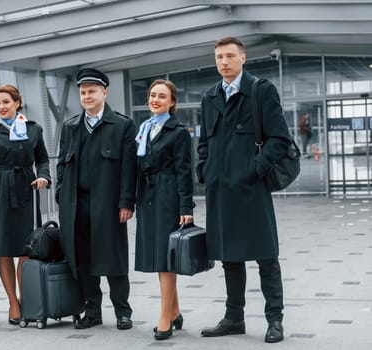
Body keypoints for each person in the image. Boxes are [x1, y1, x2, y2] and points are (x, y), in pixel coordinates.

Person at [196, 36, 291, 343]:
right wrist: (205, 170)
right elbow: (203, 144)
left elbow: (280, 139)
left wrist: (256, 169)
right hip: (220, 191)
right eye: (218, 57)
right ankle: (234, 317)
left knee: (266, 257)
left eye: (229, 56)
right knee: (230, 258)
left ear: (243, 58)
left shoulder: (260, 91)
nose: (223, 61)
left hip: (252, 189)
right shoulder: (209, 97)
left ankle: (274, 320)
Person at [56, 68, 137, 330]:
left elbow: (129, 168)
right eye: (83, 92)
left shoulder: (122, 125)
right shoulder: (70, 127)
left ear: (104, 92)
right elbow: (61, 164)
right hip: (76, 204)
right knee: (83, 260)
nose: (87, 96)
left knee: (114, 259)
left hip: (109, 205)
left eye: (92, 91)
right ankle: (92, 311)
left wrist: (126, 202)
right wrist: (60, 193)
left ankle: (122, 311)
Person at [0, 84, 51, 326]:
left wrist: (44, 176)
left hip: (26, 189)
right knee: (4, 249)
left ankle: (26, 297)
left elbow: (42, 158)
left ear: (17, 103)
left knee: (26, 248)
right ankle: (13, 302)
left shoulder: (34, 129)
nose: (1, 107)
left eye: (6, 102)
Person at [134, 79, 194, 341]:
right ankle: (175, 310)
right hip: (147, 196)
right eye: (152, 95)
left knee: (165, 258)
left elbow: (184, 171)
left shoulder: (178, 132)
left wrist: (185, 206)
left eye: (161, 96)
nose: (155, 100)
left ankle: (164, 317)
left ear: (172, 102)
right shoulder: (144, 128)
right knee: (160, 256)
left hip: (168, 196)